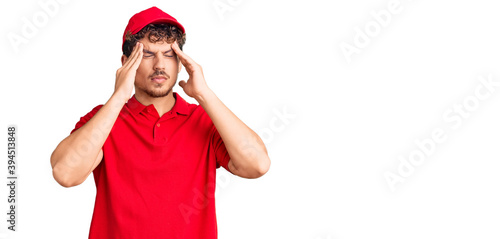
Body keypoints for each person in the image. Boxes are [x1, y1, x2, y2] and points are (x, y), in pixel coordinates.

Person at [50, 6, 270, 239]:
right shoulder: (104, 119)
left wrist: (204, 94)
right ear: (126, 62)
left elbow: (257, 165)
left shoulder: (204, 119)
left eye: (169, 54)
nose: (160, 65)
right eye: (147, 54)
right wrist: (118, 99)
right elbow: (65, 173)